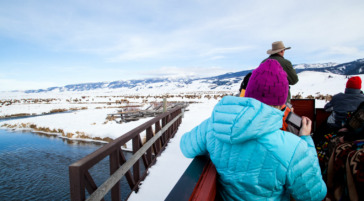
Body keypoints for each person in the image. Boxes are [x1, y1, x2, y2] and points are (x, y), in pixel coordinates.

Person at [180, 59, 327, 200]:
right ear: (283, 105)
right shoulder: (294, 148)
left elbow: (186, 147)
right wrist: (306, 140)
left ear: (248, 94)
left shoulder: (213, 125)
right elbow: (314, 195)